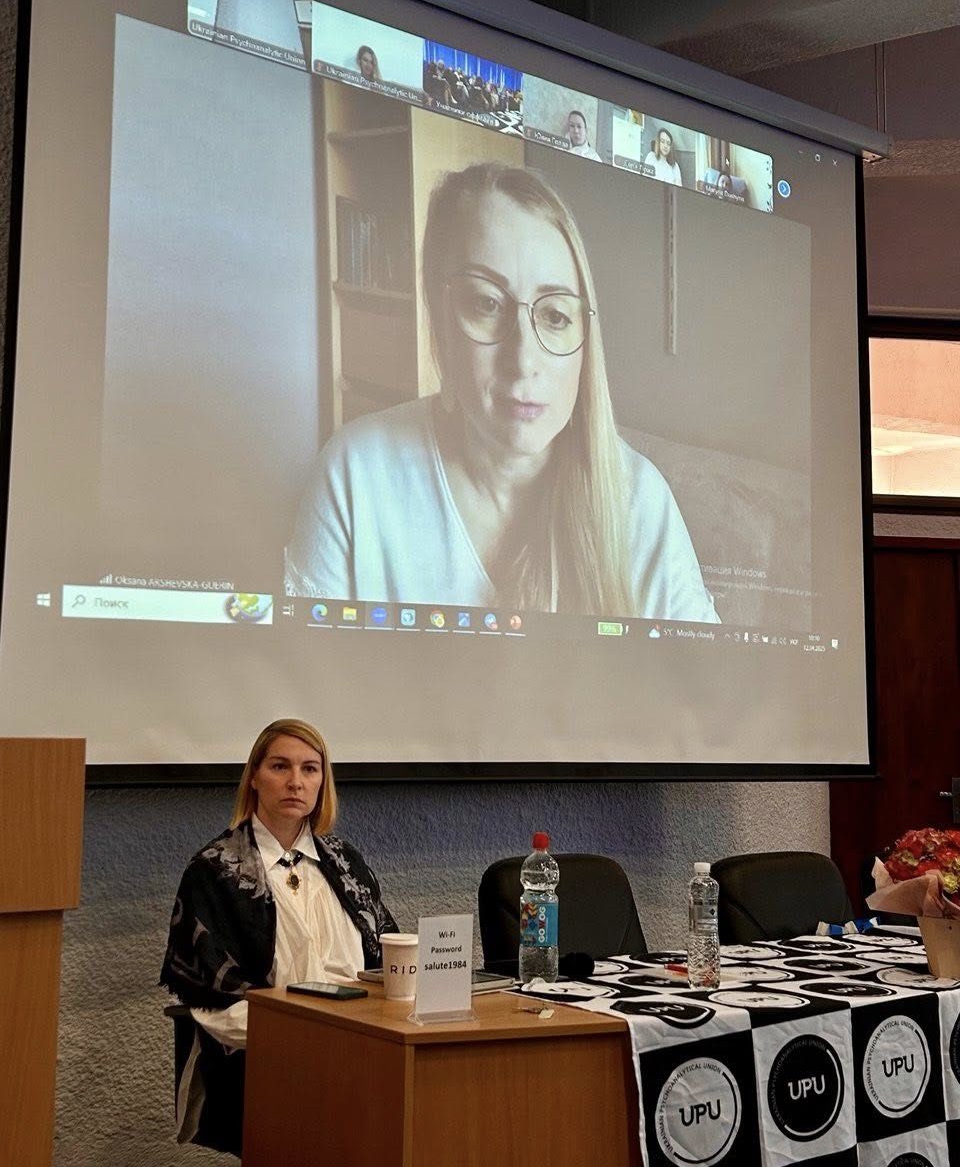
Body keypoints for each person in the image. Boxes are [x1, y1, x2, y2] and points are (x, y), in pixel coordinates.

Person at [286, 163, 717, 622]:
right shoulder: (355, 476)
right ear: (439, 320)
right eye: (487, 304)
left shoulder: (640, 502)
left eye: (555, 316)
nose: (524, 360)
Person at [160, 718, 397, 1156]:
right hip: (270, 1061)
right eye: (280, 766)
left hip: (364, 1051)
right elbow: (214, 1003)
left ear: (323, 782)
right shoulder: (216, 870)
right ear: (254, 777)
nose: (295, 782)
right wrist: (311, 1039)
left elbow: (387, 964)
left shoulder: (346, 862)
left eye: (310, 769)